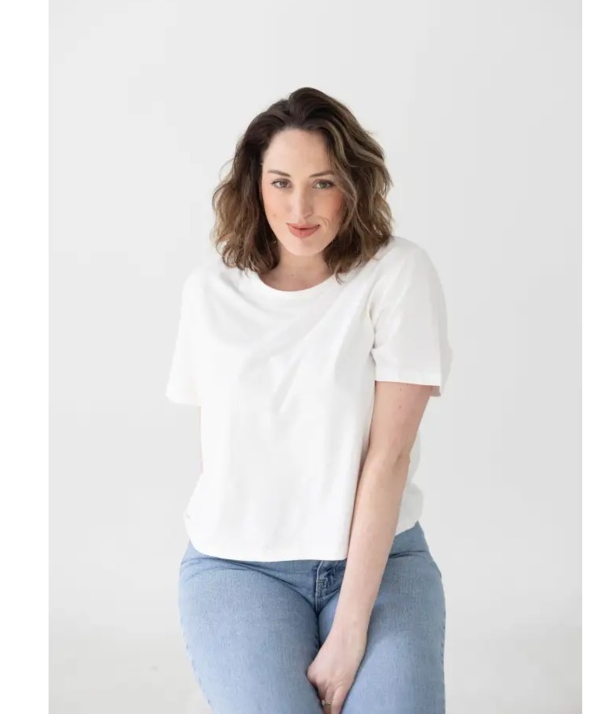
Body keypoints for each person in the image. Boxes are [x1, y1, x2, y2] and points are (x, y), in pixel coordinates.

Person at [166, 87, 453, 713]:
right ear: (255, 185)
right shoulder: (209, 292)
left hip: (382, 563)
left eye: (322, 183)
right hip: (239, 568)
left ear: (353, 185)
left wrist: (349, 633)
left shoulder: (396, 274)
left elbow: (388, 458)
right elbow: (219, 448)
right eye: (281, 182)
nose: (300, 207)